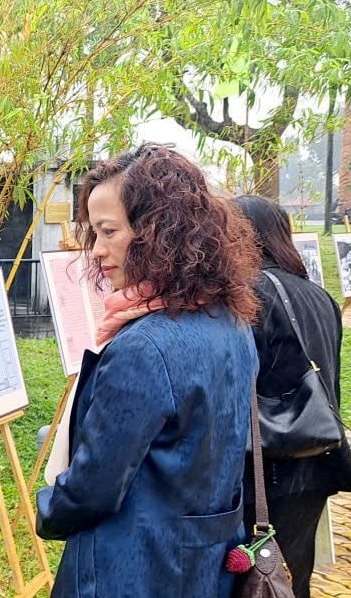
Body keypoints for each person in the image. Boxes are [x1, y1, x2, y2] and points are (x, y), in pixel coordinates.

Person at [35, 143, 261, 597]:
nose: (97, 250)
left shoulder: (144, 346)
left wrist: (48, 507)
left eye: (109, 231)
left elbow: (94, 487)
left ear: (162, 230)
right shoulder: (230, 323)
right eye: (93, 234)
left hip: (132, 571)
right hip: (205, 567)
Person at [234, 195, 351, 598]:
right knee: (293, 577)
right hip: (319, 456)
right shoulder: (318, 295)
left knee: (263, 581)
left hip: (268, 470)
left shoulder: (251, 295)